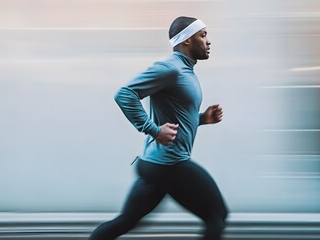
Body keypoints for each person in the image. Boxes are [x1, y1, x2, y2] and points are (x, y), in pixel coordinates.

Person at [89, 16, 228, 240]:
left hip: (153, 164)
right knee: (217, 216)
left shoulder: (185, 71)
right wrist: (153, 129)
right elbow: (125, 94)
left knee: (126, 221)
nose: (208, 41)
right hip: (170, 164)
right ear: (187, 41)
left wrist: (201, 119)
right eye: (202, 36)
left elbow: (176, 115)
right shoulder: (170, 69)